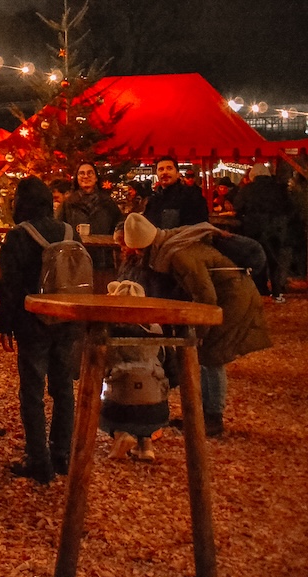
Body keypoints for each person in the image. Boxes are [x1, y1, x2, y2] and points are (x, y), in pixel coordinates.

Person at [122, 213, 271, 436]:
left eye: (140, 251)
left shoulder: (178, 255)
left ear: (145, 245)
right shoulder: (171, 241)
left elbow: (205, 295)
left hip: (232, 299)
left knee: (212, 357)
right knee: (204, 357)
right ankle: (201, 414)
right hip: (228, 296)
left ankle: (213, 418)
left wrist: (199, 331)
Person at [0, 176, 77, 484]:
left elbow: (9, 285)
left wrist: (5, 323)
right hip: (67, 319)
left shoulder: (19, 236)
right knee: (63, 389)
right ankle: (62, 455)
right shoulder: (68, 232)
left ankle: (38, 459)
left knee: (32, 391)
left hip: (34, 321)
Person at [99, 280, 170, 462]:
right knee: (146, 402)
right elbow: (167, 361)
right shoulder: (155, 328)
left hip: (121, 400)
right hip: (155, 404)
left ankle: (121, 434)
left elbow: (104, 362)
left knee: (113, 403)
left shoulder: (112, 329)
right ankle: (146, 446)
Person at [58, 162, 124, 292]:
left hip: (103, 261)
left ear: (96, 178)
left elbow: (119, 224)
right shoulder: (68, 204)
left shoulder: (107, 203)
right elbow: (59, 226)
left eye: (90, 173)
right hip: (76, 261)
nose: (86, 176)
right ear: (76, 178)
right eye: (81, 173)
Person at [233, 162, 293, 302]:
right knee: (274, 261)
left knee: (256, 259)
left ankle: (260, 289)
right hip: (276, 230)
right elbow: (289, 208)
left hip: (254, 229)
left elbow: (238, 206)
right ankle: (277, 291)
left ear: (253, 175)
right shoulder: (279, 189)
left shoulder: (247, 189)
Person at [144, 156, 208, 229]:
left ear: (177, 173)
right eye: (161, 169)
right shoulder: (153, 200)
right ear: (157, 174)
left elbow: (200, 227)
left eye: (169, 168)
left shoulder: (192, 196)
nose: (165, 172)